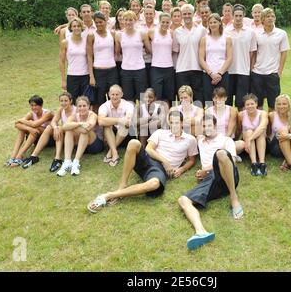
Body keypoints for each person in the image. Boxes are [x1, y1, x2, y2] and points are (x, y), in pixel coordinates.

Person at [87, 111, 198, 213]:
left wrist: (182, 169)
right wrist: (165, 161)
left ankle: (109, 195)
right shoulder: (161, 133)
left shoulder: (190, 139)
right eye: (172, 122)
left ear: (182, 123)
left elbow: (192, 160)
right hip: (148, 160)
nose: (174, 125)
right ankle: (122, 185)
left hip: (160, 170)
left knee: (154, 184)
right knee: (133, 143)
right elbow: (149, 149)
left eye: (177, 123)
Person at [178, 114, 243, 251]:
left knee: (220, 154)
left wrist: (206, 169)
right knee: (183, 200)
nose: (206, 128)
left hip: (228, 174)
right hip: (211, 180)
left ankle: (234, 198)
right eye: (203, 126)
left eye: (209, 125)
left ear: (215, 126)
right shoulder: (200, 140)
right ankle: (201, 232)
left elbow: (232, 161)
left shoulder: (226, 140)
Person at [22, 92, 77, 172]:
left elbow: (70, 126)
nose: (63, 103)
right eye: (61, 101)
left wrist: (58, 128)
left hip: (73, 135)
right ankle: (34, 156)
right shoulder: (61, 110)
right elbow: (53, 121)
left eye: (66, 101)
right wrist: (55, 127)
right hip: (64, 132)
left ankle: (57, 158)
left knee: (59, 129)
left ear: (71, 101)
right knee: (50, 127)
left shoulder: (75, 110)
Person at [251, 8, 290, 111]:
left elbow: (284, 53)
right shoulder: (256, 33)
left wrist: (279, 72)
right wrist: (251, 68)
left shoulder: (282, 33)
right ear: (262, 19)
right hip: (257, 72)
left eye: (272, 16)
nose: (270, 18)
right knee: (258, 104)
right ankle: (261, 126)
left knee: (273, 105)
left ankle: (271, 127)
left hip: (272, 73)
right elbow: (254, 53)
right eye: (268, 16)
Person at [56, 96, 102, 176]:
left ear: (88, 106)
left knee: (84, 132)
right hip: (80, 144)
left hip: (94, 145)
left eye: (84, 106)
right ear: (77, 107)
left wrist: (73, 126)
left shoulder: (92, 115)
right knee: (69, 131)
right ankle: (67, 161)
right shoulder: (74, 116)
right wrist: (80, 123)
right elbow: (64, 127)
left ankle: (76, 162)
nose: (82, 108)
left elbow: (86, 129)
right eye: (80, 106)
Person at [173, 4, 207, 105]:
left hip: (198, 68)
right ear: (181, 15)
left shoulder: (202, 30)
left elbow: (205, 50)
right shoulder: (177, 32)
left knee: (198, 98)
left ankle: (198, 119)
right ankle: (183, 119)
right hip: (182, 69)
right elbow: (176, 50)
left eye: (189, 13)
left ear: (193, 14)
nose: (187, 16)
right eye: (184, 14)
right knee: (183, 98)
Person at [6, 95, 53, 167]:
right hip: (36, 139)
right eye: (32, 105)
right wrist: (29, 128)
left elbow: (35, 124)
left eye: (36, 105)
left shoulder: (48, 113)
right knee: (23, 129)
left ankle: (20, 155)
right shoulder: (31, 114)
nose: (33, 107)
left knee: (36, 128)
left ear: (41, 105)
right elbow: (17, 125)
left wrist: (21, 120)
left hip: (49, 140)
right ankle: (13, 156)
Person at [115, 10, 151, 102]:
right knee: (127, 96)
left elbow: (148, 50)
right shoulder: (119, 35)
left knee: (142, 95)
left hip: (140, 69)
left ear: (135, 20)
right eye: (126, 20)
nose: (128, 22)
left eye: (130, 20)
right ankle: (130, 115)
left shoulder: (142, 33)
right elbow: (117, 51)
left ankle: (143, 114)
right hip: (126, 69)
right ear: (122, 21)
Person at [226, 4, 257, 109]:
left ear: (244, 16)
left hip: (244, 70)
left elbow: (253, 52)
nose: (238, 18)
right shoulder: (226, 31)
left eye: (240, 16)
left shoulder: (250, 32)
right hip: (229, 70)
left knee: (241, 102)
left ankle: (241, 125)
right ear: (232, 16)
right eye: (236, 15)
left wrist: (250, 68)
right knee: (227, 102)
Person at [199, 13, 233, 105]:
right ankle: (210, 119)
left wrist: (219, 74)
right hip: (208, 75)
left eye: (215, 22)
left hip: (222, 74)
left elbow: (229, 58)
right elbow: (201, 59)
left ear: (220, 23)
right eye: (211, 22)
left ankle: (223, 119)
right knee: (209, 101)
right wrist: (211, 73)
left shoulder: (227, 38)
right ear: (208, 24)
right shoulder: (204, 39)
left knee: (222, 100)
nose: (213, 24)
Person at [86, 11, 118, 110]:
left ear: (105, 22)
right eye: (97, 22)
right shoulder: (91, 35)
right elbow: (89, 56)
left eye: (101, 22)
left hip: (112, 70)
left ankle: (113, 121)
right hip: (98, 71)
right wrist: (91, 76)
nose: (99, 24)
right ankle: (100, 122)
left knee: (114, 98)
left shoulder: (112, 33)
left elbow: (117, 51)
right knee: (99, 100)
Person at [98, 85, 135, 167]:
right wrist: (119, 120)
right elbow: (100, 121)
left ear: (121, 94)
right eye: (112, 94)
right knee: (107, 125)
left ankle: (110, 152)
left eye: (117, 94)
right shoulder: (104, 106)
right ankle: (115, 153)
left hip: (126, 136)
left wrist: (114, 121)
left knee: (124, 125)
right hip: (111, 136)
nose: (114, 97)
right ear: (109, 95)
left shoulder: (128, 105)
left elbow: (128, 121)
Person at [235, 94, 268, 176]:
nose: (250, 106)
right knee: (249, 131)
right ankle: (254, 163)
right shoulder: (241, 114)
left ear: (256, 104)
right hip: (248, 145)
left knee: (259, 133)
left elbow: (262, 127)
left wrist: (250, 139)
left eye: (252, 104)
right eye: (247, 104)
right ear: (244, 106)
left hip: (261, 142)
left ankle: (262, 163)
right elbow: (239, 129)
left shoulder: (263, 113)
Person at [59, 17, 90, 104]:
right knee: (72, 102)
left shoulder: (86, 41)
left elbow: (90, 58)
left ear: (81, 27)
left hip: (85, 75)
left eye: (78, 26)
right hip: (72, 75)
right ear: (71, 28)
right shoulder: (65, 42)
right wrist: (63, 80)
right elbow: (62, 61)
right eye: (74, 26)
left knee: (85, 102)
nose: (76, 28)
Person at [148, 12, 175, 106]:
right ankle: (156, 116)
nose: (165, 24)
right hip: (156, 67)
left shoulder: (171, 33)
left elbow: (172, 50)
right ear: (159, 22)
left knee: (169, 95)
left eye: (167, 22)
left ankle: (168, 116)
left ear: (170, 23)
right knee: (156, 95)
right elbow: (147, 47)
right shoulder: (151, 32)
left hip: (169, 67)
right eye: (163, 22)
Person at [139, 4, 157, 86]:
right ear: (144, 14)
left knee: (154, 85)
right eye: (147, 14)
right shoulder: (138, 27)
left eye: (151, 14)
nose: (149, 16)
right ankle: (143, 100)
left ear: (154, 14)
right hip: (143, 61)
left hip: (156, 61)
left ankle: (156, 99)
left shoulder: (159, 26)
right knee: (143, 86)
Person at [113, 7, 126, 78]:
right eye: (119, 16)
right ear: (117, 17)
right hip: (116, 59)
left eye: (123, 15)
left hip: (126, 59)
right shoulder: (113, 29)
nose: (121, 17)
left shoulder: (129, 29)